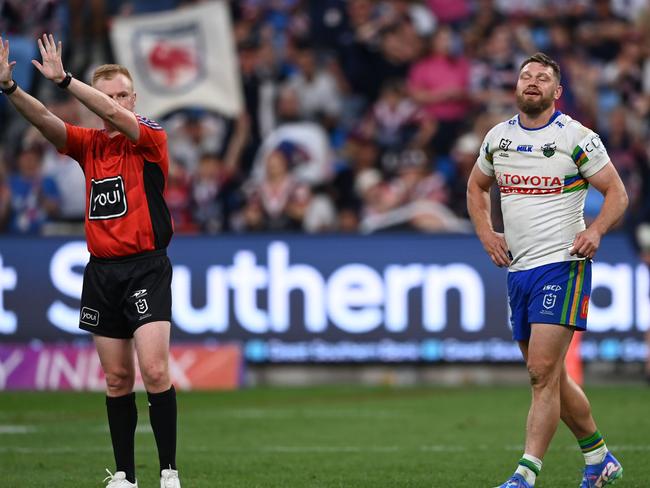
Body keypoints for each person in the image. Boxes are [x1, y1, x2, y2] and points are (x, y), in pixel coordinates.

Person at [0, 34, 181, 488]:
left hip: (146, 266)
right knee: (117, 378)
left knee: (155, 370)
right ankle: (124, 475)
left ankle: (168, 472)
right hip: (102, 272)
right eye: (107, 95)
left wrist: (64, 79)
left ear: (133, 98)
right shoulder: (89, 146)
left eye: (121, 94)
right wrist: (10, 89)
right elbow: (43, 119)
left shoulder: (149, 138)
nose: (114, 103)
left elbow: (116, 117)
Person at [467, 52, 629, 488]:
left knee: (541, 370)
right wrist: (487, 233)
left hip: (563, 264)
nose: (532, 82)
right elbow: (476, 187)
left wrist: (595, 231)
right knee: (548, 374)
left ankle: (525, 474)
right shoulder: (497, 138)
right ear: (516, 87)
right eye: (526, 76)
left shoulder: (576, 137)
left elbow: (616, 193)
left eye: (542, 78)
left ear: (557, 92)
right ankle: (599, 458)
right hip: (519, 271)